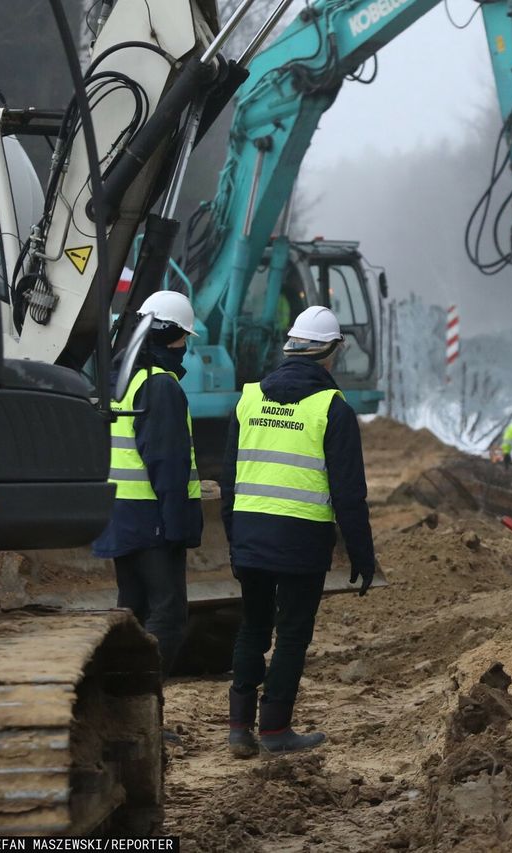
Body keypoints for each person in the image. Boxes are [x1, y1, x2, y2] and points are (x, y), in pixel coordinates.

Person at [220, 306, 377, 757]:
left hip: (250, 532)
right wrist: (362, 557)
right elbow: (349, 495)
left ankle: (237, 729)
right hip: (302, 540)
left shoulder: (248, 398)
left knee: (253, 627)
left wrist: (235, 538)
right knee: (291, 633)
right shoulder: (333, 408)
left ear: (290, 347)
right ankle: (274, 731)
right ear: (332, 353)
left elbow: (229, 480)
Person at [93, 290, 202, 686]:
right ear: (169, 336)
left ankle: (118, 705)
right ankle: (139, 708)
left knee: (133, 612)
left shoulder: (118, 377)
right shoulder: (160, 386)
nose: (184, 347)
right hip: (152, 519)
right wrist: (180, 527)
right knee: (169, 616)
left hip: (120, 515)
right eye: (183, 339)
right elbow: (168, 464)